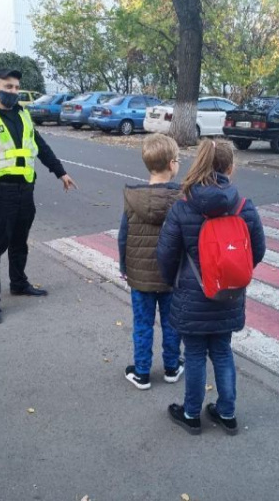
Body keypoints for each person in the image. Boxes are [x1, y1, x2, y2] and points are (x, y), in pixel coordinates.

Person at [156, 139, 266, 435]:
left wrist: (174, 283)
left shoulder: (183, 208)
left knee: (193, 354)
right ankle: (226, 414)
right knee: (222, 351)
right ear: (230, 167)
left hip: (192, 296)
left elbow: (166, 255)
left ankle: (191, 414)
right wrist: (231, 276)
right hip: (228, 296)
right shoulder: (245, 207)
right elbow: (257, 251)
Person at [0, 69, 78, 324]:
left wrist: (60, 172)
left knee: (19, 242)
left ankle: (19, 283)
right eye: (8, 87)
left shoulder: (23, 115)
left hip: (24, 191)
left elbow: (40, 147)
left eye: (16, 88)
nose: (13, 92)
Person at [118, 134, 184, 390]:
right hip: (173, 276)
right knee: (171, 323)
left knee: (143, 324)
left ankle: (142, 372)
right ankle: (171, 367)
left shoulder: (133, 198)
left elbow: (124, 235)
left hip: (140, 276)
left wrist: (125, 267)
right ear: (171, 165)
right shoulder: (181, 198)